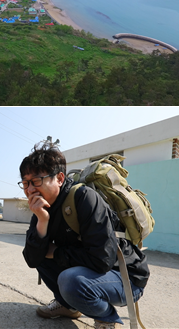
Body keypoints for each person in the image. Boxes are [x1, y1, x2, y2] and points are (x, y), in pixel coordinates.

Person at [19, 141, 150, 329]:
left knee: (70, 280)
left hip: (126, 277)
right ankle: (68, 306)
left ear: (59, 178)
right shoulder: (41, 208)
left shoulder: (84, 198)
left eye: (37, 181)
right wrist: (42, 221)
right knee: (39, 252)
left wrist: (56, 253)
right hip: (92, 271)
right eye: (25, 183)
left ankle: (106, 319)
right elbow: (32, 259)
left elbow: (102, 260)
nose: (30, 189)